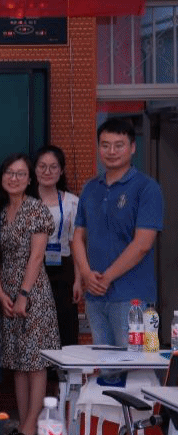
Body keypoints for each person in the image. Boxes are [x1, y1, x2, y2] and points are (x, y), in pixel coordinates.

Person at [72, 118, 164, 347]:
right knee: (103, 362)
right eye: (105, 145)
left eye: (118, 145)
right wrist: (86, 274)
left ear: (132, 147)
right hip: (95, 296)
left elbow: (142, 244)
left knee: (133, 361)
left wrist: (107, 278)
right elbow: (78, 238)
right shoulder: (90, 188)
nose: (111, 151)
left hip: (131, 298)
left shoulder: (147, 188)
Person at [0, 154, 59, 435]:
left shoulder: (36, 208)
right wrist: (0, 292)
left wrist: (23, 294)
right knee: (17, 360)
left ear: (30, 179)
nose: (14, 178)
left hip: (33, 291)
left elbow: (37, 256)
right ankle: (22, 424)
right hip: (6, 289)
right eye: (9, 172)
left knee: (35, 361)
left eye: (20, 174)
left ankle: (32, 427)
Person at [29, 145, 81, 347]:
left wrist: (78, 280)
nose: (47, 172)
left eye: (53, 167)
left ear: (61, 170)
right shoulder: (26, 201)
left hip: (63, 269)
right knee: (35, 328)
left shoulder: (72, 202)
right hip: (32, 268)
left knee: (65, 326)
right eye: (42, 166)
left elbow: (76, 244)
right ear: (34, 169)